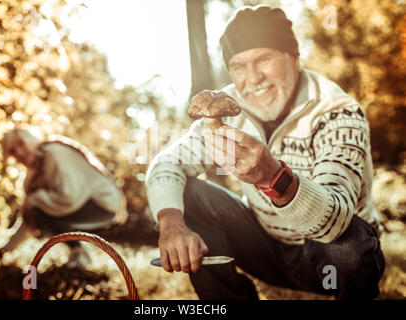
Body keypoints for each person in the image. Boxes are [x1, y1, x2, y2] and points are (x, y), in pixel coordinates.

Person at [145, 5, 385, 299]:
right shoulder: (225, 107)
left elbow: (335, 223)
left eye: (264, 59)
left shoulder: (337, 112)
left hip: (330, 260)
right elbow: (167, 162)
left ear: (295, 58)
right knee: (190, 193)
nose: (253, 78)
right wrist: (171, 221)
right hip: (266, 249)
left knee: (349, 239)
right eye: (238, 66)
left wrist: (274, 179)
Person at [0, 128, 128, 267]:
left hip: (102, 204)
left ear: (31, 139)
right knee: (38, 211)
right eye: (13, 151)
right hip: (87, 206)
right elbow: (30, 216)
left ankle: (80, 254)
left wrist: (36, 200)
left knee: (41, 210)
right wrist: (6, 249)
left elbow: (68, 198)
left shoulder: (53, 152)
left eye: (21, 144)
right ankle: (79, 252)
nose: (19, 152)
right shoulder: (34, 175)